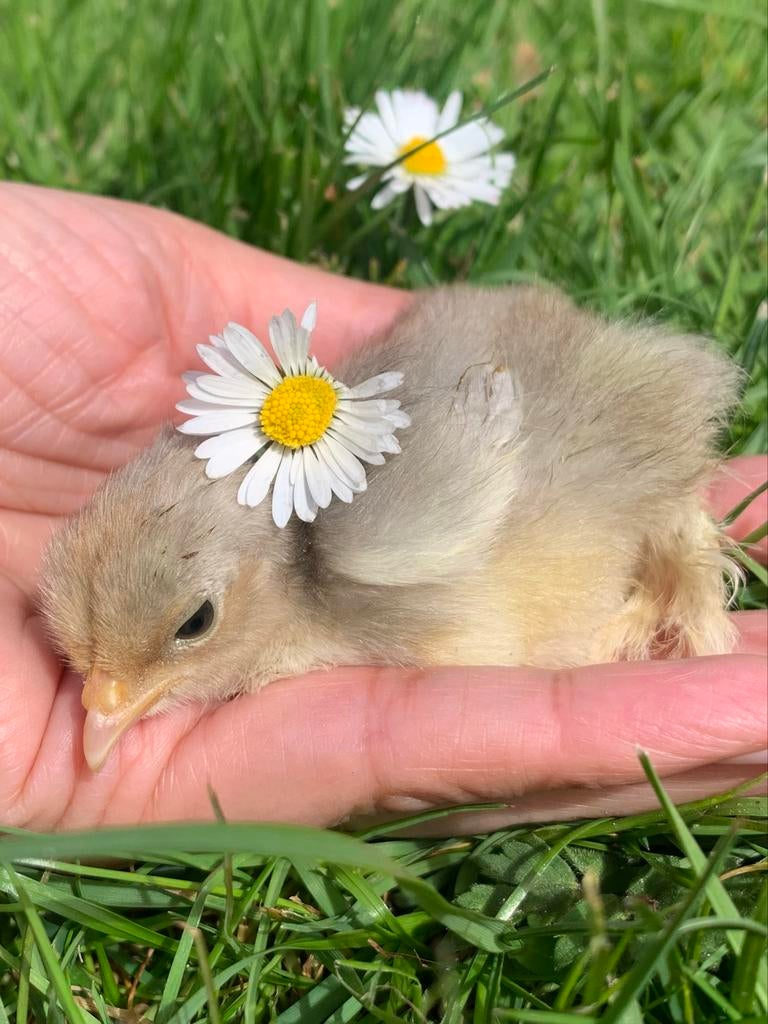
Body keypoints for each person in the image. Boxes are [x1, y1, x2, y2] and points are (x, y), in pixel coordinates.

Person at [0, 183, 765, 834]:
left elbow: (607, 396)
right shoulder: (326, 544)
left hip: (581, 422)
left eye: (195, 623)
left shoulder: (380, 540)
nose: (101, 708)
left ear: (255, 577)